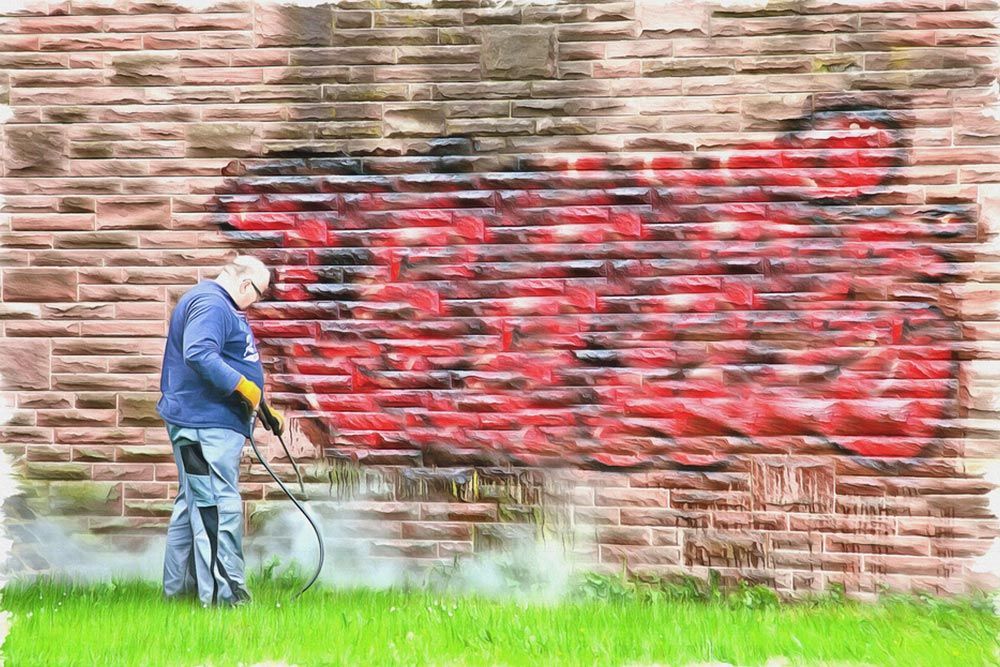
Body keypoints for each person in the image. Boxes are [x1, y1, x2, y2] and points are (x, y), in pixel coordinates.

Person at [156, 255, 286, 607]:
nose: (256, 301)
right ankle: (226, 600)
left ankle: (179, 596)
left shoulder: (214, 303)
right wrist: (244, 387)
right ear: (246, 285)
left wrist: (262, 405)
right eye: (258, 294)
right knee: (218, 506)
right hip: (205, 425)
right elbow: (199, 353)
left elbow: (226, 359)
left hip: (203, 423)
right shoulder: (212, 303)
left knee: (193, 504)